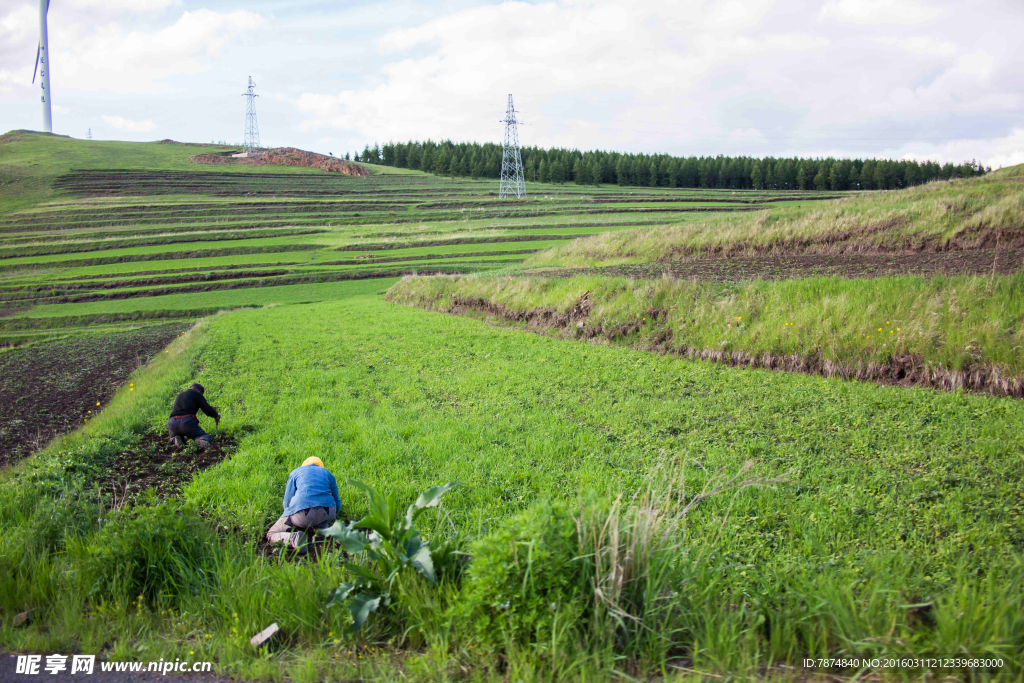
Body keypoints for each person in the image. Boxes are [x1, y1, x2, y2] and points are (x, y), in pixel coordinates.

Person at [266, 456, 342, 552]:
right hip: (327, 513)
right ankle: (322, 533)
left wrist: (287, 517)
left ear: (304, 465)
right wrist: (333, 516)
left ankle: (294, 539)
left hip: (303, 514)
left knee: (271, 533)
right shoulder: (328, 474)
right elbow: (337, 501)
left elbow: (287, 500)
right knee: (321, 519)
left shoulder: (296, 472)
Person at [167, 382, 220, 449]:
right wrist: (216, 415)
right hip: (186, 422)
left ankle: (174, 440)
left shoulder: (180, 395)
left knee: (172, 437)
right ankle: (200, 441)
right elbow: (207, 409)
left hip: (172, 423)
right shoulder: (197, 394)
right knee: (204, 436)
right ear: (199, 391)